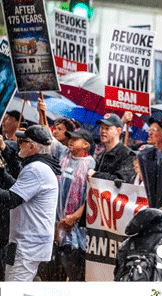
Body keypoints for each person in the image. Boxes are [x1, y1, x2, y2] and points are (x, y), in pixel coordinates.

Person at [0, 125, 59, 282]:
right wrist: (2, 173)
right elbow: (19, 190)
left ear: (32, 146)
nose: (20, 144)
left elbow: (11, 199)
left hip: (28, 244)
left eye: (23, 141)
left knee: (13, 293)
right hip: (24, 241)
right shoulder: (37, 166)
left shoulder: (36, 169)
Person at [52, 127, 94, 282]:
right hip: (56, 225)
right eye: (70, 138)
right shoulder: (63, 155)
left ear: (85, 144)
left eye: (75, 139)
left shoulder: (90, 164)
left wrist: (75, 217)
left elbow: (91, 197)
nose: (70, 141)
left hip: (74, 229)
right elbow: (48, 140)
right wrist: (42, 113)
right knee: (54, 276)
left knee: (75, 274)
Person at [89, 113, 135, 185]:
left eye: (107, 128)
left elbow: (121, 180)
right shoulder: (103, 153)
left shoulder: (127, 154)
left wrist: (96, 175)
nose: (103, 131)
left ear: (118, 131)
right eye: (102, 128)